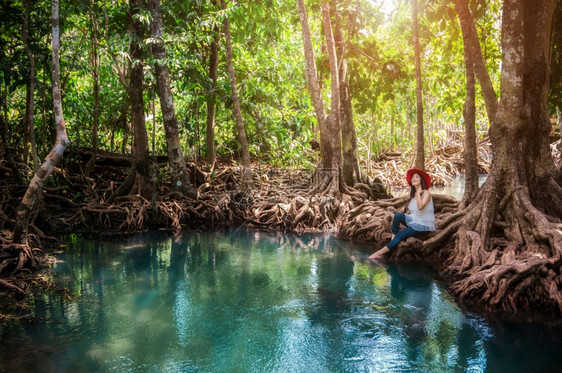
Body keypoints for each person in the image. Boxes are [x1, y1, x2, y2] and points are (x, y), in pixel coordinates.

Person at [369, 168, 435, 261]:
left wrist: (418, 194)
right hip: (415, 219)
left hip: (423, 225)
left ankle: (379, 253)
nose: (414, 178)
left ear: (421, 180)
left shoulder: (426, 193)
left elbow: (420, 207)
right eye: (413, 177)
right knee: (397, 216)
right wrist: (416, 193)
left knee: (401, 235)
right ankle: (393, 239)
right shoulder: (414, 193)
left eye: (417, 177)